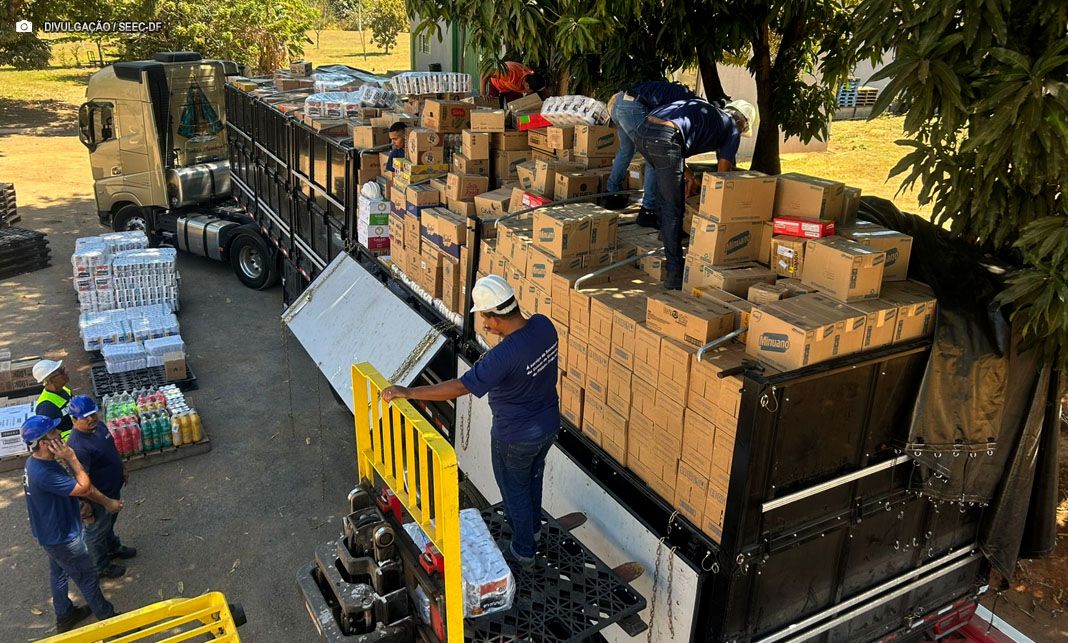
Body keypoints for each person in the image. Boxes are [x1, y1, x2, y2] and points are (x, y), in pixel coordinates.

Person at [380, 275, 559, 568]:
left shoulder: (502, 356)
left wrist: (409, 391)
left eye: (485, 320)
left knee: (514, 489)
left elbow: (460, 387)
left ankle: (523, 550)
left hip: (514, 436)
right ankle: (532, 531)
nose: (485, 327)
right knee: (532, 478)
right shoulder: (544, 325)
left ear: (496, 317)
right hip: (548, 426)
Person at [633, 98, 758, 289]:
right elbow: (722, 177)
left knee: (665, 194)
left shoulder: (709, 112)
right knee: (673, 208)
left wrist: (688, 174)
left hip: (643, 132)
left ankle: (665, 234)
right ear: (742, 123)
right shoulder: (732, 129)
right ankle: (675, 272)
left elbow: (678, 146)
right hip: (665, 138)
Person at [22, 415, 122, 632]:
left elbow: (62, 493)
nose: (58, 434)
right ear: (44, 443)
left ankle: (65, 614)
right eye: (53, 433)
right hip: (63, 537)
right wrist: (72, 457)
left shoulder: (35, 463)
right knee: (87, 578)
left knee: (59, 573)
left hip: (49, 534)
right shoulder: (44, 473)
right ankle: (110, 620)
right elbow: (84, 486)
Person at [603, 81, 697, 226]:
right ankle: (648, 210)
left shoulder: (679, 94)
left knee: (626, 150)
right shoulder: (690, 106)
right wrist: (686, 172)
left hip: (619, 103)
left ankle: (612, 194)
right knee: (654, 156)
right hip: (633, 107)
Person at [67, 395, 136, 578]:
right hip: (99, 497)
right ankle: (101, 567)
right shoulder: (78, 447)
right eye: (85, 417)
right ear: (74, 420)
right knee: (96, 532)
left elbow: (111, 448)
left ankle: (113, 548)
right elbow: (83, 485)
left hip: (112, 488)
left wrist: (122, 467)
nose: (91, 419)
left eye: (92, 414)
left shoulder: (99, 427)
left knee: (108, 524)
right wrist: (104, 503)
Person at [33, 359, 73, 441]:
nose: (66, 372)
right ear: (51, 380)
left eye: (63, 369)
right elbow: (50, 436)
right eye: (61, 372)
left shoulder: (63, 389)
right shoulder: (46, 407)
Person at [481, 61, 547, 105]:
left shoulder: (531, 75)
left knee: (516, 107)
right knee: (494, 107)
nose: (531, 93)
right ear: (527, 85)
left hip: (512, 87)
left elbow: (542, 89)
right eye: (531, 91)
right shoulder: (509, 74)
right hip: (496, 83)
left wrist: (551, 99)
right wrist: (483, 93)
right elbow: (485, 72)